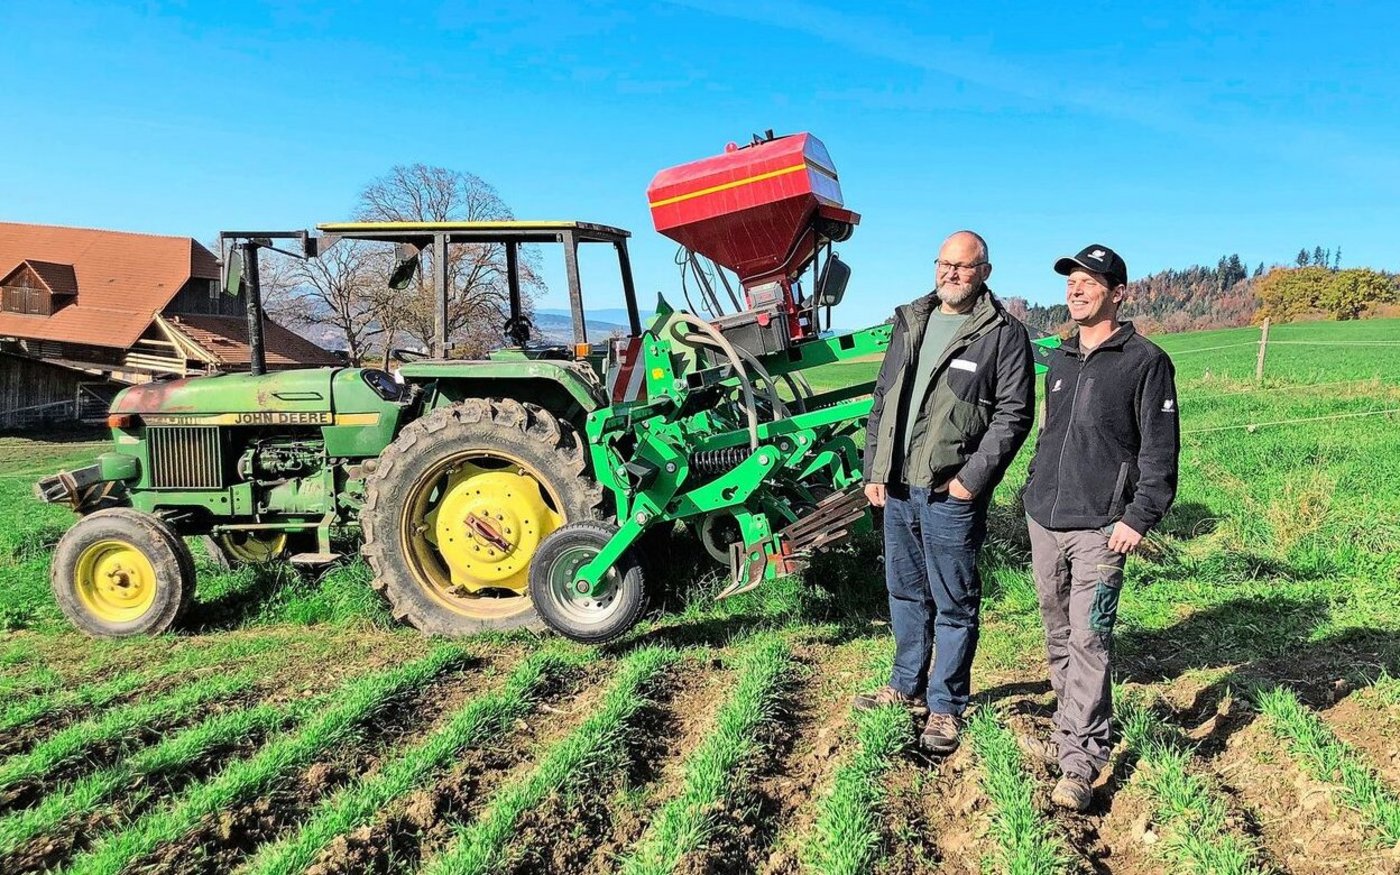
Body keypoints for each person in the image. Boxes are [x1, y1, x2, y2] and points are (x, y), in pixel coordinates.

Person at [854, 230, 1035, 755]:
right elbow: (884, 397)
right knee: (905, 591)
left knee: (954, 601)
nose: (952, 274)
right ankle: (906, 685)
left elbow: (1014, 415)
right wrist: (875, 467)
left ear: (985, 272)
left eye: (964, 266)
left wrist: (970, 481)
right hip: (898, 488)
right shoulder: (912, 321)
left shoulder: (1001, 334)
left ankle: (946, 706)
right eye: (945, 264)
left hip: (949, 494)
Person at [1020, 244, 1180, 810]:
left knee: (1091, 637)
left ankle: (1081, 762)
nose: (1076, 290)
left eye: (1090, 282)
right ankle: (1074, 733)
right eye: (1072, 281)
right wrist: (1034, 489)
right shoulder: (1060, 360)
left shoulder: (1146, 362)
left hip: (1102, 529)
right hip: (1047, 519)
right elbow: (1051, 436)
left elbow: (1161, 453)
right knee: (1058, 632)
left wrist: (1139, 517)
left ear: (1118, 292)